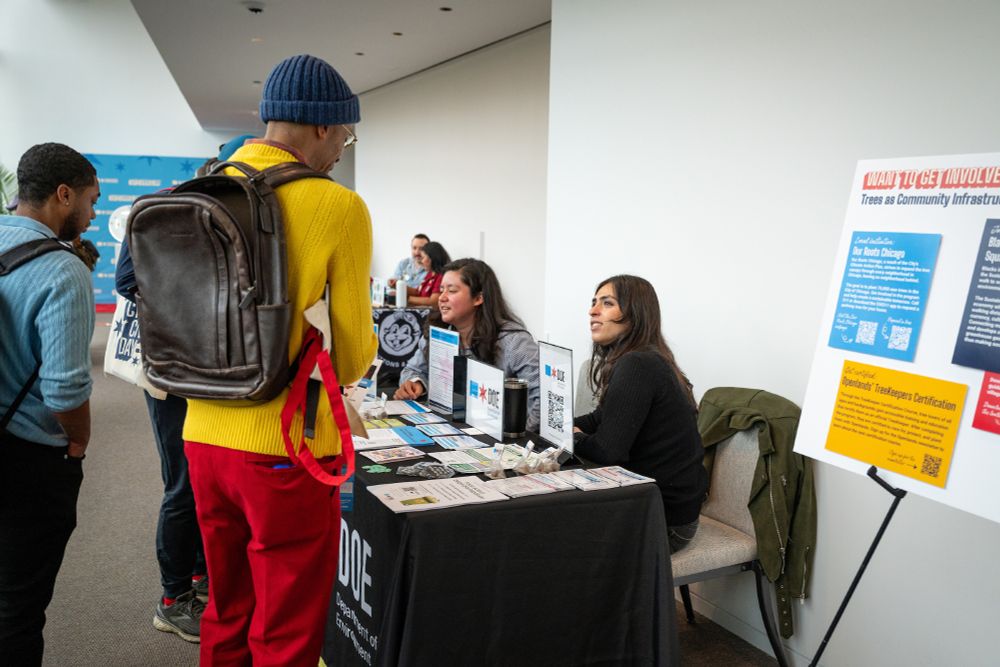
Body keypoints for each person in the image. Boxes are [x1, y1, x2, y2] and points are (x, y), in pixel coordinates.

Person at [182, 54, 377, 666]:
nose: (343, 147)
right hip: (284, 445)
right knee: (286, 628)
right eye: (345, 133)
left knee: (227, 609)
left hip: (201, 434)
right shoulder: (337, 206)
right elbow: (350, 357)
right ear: (320, 127)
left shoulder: (201, 186)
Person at [112, 136, 255, 644]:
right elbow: (127, 280)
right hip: (172, 369)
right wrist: (198, 291)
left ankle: (197, 578)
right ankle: (172, 598)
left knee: (204, 481)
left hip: (216, 369)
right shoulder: (161, 209)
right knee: (183, 483)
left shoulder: (244, 211)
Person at [0, 142, 99, 665]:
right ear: (64, 194)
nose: (93, 213)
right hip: (28, 460)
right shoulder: (64, 271)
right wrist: (79, 442)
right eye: (91, 200)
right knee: (17, 607)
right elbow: (64, 389)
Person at [572, 275, 707, 553]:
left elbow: (609, 451)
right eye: (594, 302)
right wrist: (557, 426)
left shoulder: (638, 364)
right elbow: (601, 419)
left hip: (665, 524)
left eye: (607, 303)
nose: (593, 311)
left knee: (547, 530)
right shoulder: (641, 357)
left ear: (635, 314)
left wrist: (569, 436)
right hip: (655, 508)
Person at [394, 258, 541, 431]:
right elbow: (413, 370)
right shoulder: (439, 331)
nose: (442, 298)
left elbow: (542, 398)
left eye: (452, 290)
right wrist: (416, 384)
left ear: (478, 298)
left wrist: (519, 435)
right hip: (449, 430)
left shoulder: (514, 342)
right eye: (441, 290)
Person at [406, 240, 450, 308]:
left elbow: (433, 302)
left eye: (423, 258)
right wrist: (399, 287)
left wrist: (407, 298)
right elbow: (418, 292)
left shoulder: (441, 276)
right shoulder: (430, 274)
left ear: (432, 258)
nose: (421, 261)